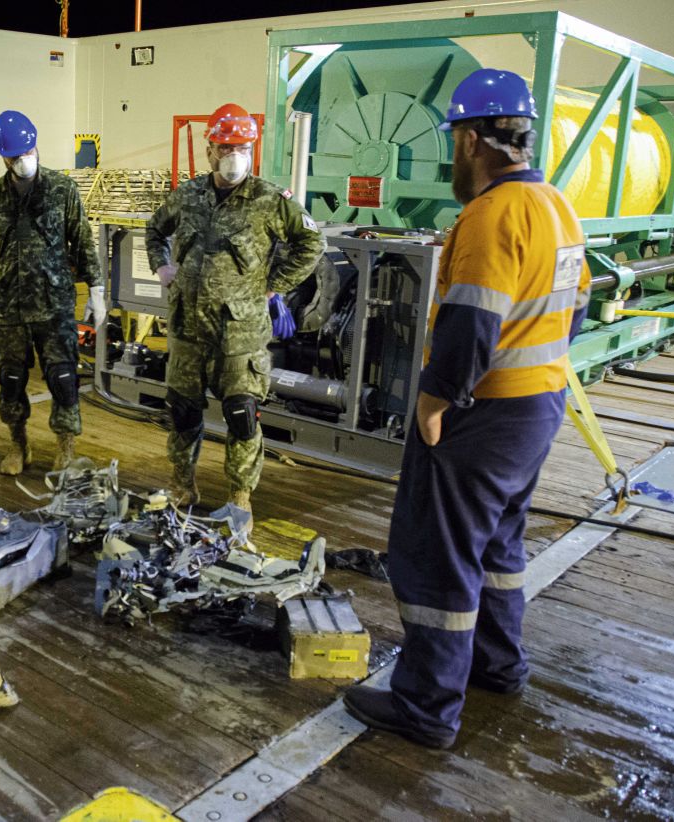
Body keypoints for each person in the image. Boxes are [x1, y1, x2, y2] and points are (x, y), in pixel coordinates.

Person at [343, 69, 590, 748]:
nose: (455, 150)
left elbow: (470, 328)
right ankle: (498, 665)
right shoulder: (556, 206)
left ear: (473, 140)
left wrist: (432, 403)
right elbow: (576, 309)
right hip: (538, 408)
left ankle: (425, 706)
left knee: (436, 555)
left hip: (482, 417)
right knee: (499, 547)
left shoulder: (490, 215)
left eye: (456, 138)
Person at [145, 103, 323, 513]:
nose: (233, 155)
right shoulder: (187, 195)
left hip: (240, 334)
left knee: (242, 417)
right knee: (184, 414)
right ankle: (182, 485)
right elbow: (155, 229)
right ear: (210, 150)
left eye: (242, 146)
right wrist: (163, 266)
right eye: (226, 146)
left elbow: (311, 243)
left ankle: (239, 499)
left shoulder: (269, 199)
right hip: (188, 330)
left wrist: (273, 286)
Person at [0, 110, 104, 475]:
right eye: (14, 156)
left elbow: (83, 241)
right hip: (7, 308)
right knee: (10, 381)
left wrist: (97, 289)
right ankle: (18, 444)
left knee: (63, 380)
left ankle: (66, 450)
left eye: (27, 152)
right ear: (3, 157)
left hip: (53, 304)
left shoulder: (62, 190)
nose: (22, 160)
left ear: (36, 145)